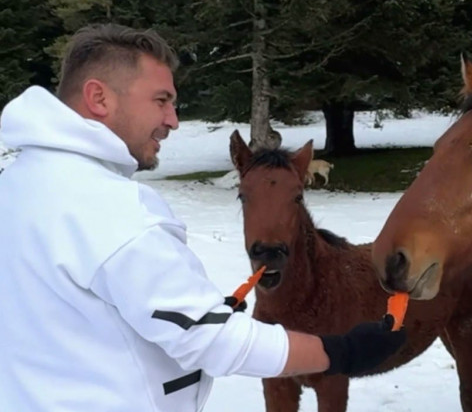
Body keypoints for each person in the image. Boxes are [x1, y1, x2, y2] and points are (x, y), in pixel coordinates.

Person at [0, 23, 406, 412]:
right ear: (99, 98)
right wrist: (343, 351)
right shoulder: (108, 209)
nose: (173, 120)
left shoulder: (17, 184)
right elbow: (213, 342)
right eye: (161, 101)